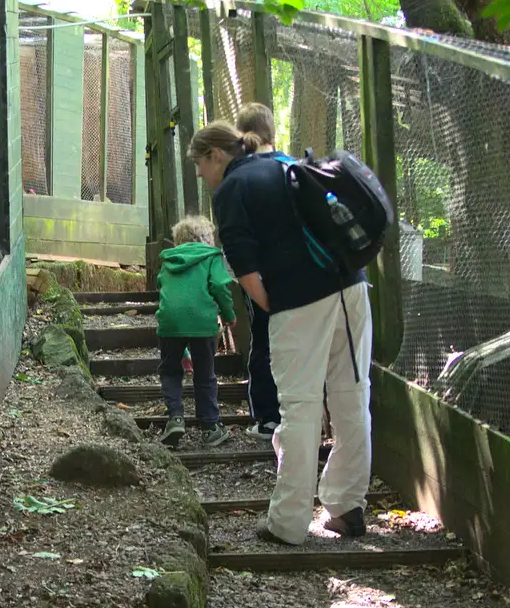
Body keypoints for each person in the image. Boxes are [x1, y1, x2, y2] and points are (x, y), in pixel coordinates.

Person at [195, 120, 372, 543]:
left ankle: (289, 523)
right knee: (352, 397)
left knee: (300, 406)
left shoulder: (233, 189)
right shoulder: (286, 163)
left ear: (215, 155)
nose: (200, 176)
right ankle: (348, 506)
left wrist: (278, 304)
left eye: (200, 166)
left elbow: (244, 265)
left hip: (300, 300)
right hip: (353, 287)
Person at [155, 215, 236, 449]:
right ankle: (210, 427)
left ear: (178, 240)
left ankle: (176, 418)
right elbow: (220, 285)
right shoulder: (211, 258)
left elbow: (163, 286)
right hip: (202, 323)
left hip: (170, 322)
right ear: (208, 238)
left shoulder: (169, 259)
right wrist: (229, 315)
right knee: (205, 373)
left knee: (170, 371)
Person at [232, 103, 286, 439]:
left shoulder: (241, 176)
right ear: (273, 132)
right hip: (299, 276)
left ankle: (268, 417)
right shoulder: (292, 168)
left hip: (260, 276)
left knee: (264, 342)